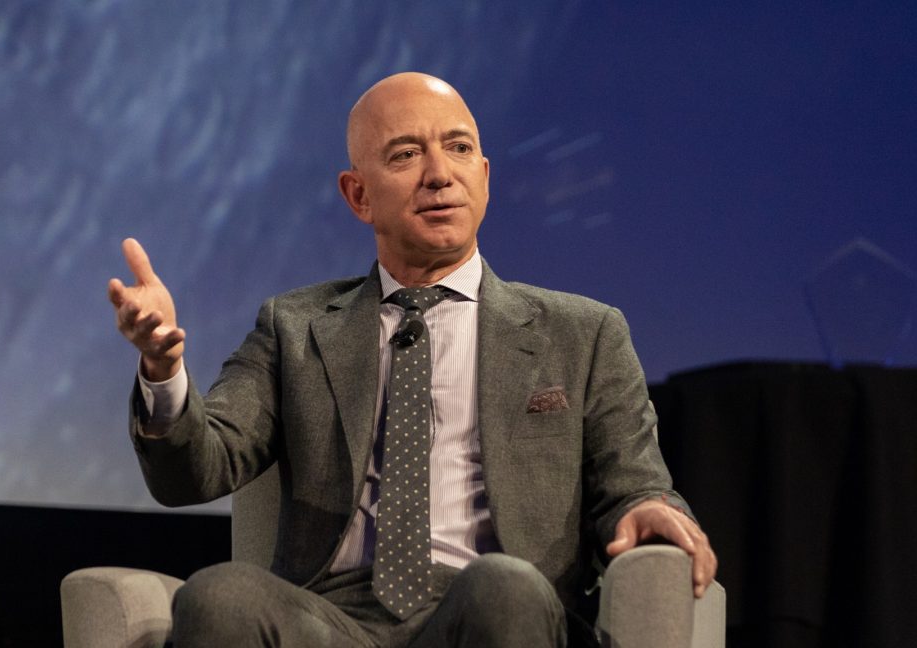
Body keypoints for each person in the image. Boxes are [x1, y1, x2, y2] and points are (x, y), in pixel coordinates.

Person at [108, 72, 716, 648]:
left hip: (493, 607)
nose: (439, 175)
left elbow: (634, 487)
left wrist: (649, 509)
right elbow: (198, 471)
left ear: (483, 176)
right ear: (358, 195)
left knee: (503, 587)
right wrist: (162, 374)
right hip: (332, 619)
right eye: (405, 155)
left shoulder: (584, 333)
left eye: (457, 149)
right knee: (220, 596)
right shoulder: (294, 328)